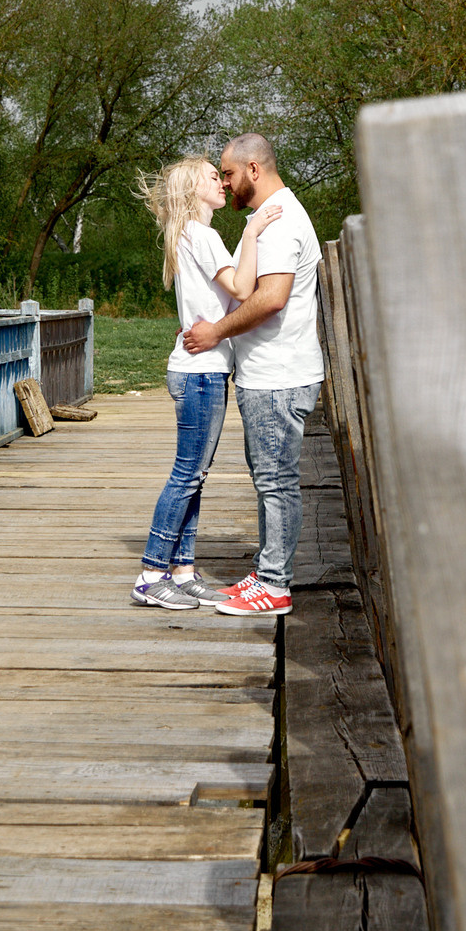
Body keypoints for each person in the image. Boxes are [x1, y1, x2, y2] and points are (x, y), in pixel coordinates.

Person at [129, 154, 283, 610]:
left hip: (199, 369)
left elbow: (215, 302)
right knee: (187, 475)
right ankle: (151, 574)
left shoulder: (187, 234)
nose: (222, 183)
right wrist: (252, 232)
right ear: (192, 189)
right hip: (200, 373)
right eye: (213, 177)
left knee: (194, 476)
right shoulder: (204, 234)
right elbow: (241, 289)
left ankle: (182, 570)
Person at [181, 133, 321, 618]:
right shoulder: (274, 216)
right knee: (269, 479)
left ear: (253, 170)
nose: (225, 183)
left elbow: (271, 298)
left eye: (229, 173)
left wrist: (215, 332)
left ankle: (275, 586)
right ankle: (266, 573)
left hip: (278, 377)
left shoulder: (280, 222)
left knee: (276, 482)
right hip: (269, 375)